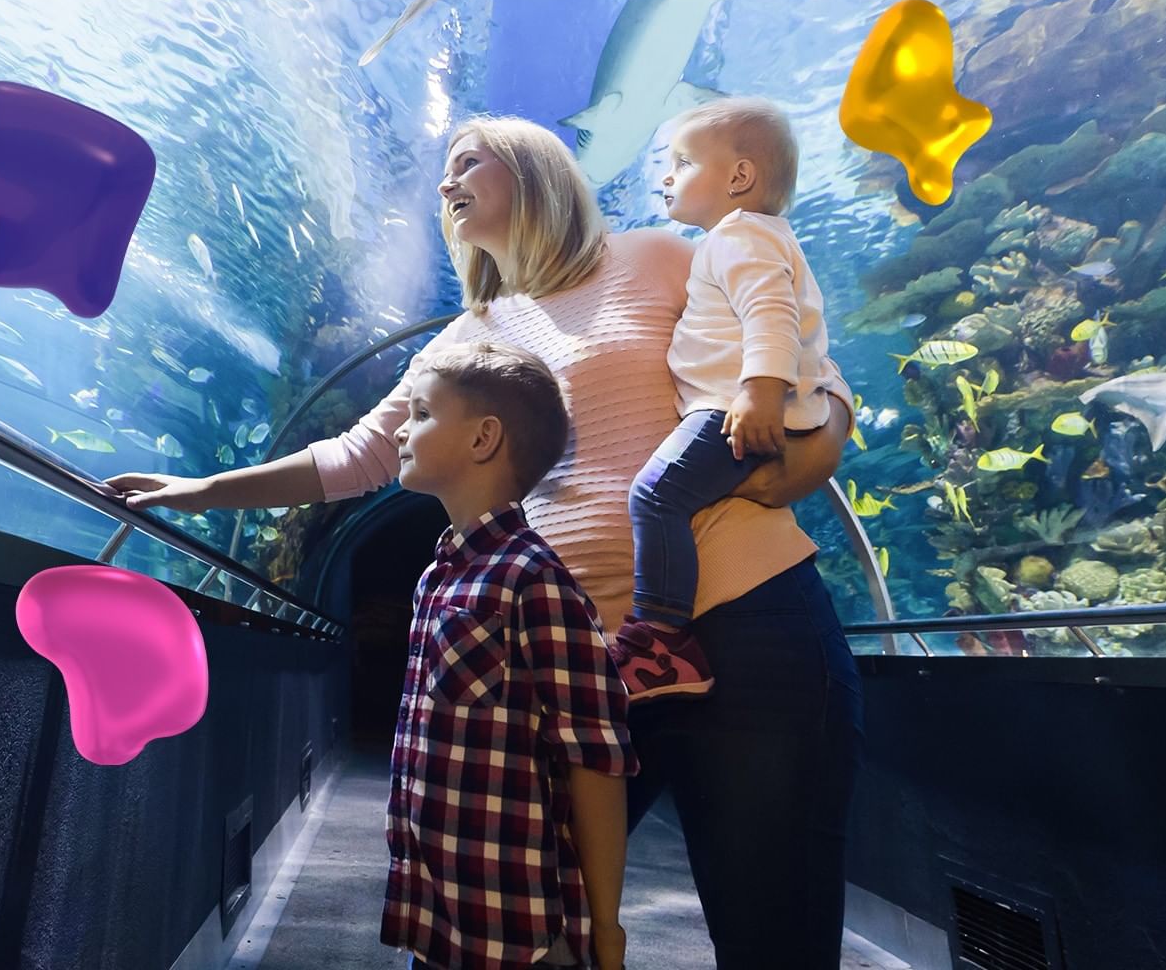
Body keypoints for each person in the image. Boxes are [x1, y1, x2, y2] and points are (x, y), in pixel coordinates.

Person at [109, 116, 865, 969]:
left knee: (775, 936)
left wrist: (827, 436)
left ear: (535, 170)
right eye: (446, 169)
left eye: (468, 161)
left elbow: (793, 341)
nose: (446, 182)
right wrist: (202, 490)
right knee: (524, 932)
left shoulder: (658, 256)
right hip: (585, 664)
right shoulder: (467, 338)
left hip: (751, 626)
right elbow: (356, 457)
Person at [381, 338, 637, 970]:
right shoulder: (437, 578)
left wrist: (606, 930)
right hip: (437, 910)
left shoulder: (534, 578)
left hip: (517, 930)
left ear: (483, 438)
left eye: (421, 413)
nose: (400, 432)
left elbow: (595, 758)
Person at [613, 97, 835, 703]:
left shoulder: (740, 236)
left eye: (683, 163)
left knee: (656, 495)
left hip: (735, 407)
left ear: (739, 177)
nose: (667, 177)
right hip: (738, 402)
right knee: (662, 495)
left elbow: (771, 312)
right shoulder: (745, 238)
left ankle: (660, 640)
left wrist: (760, 389)